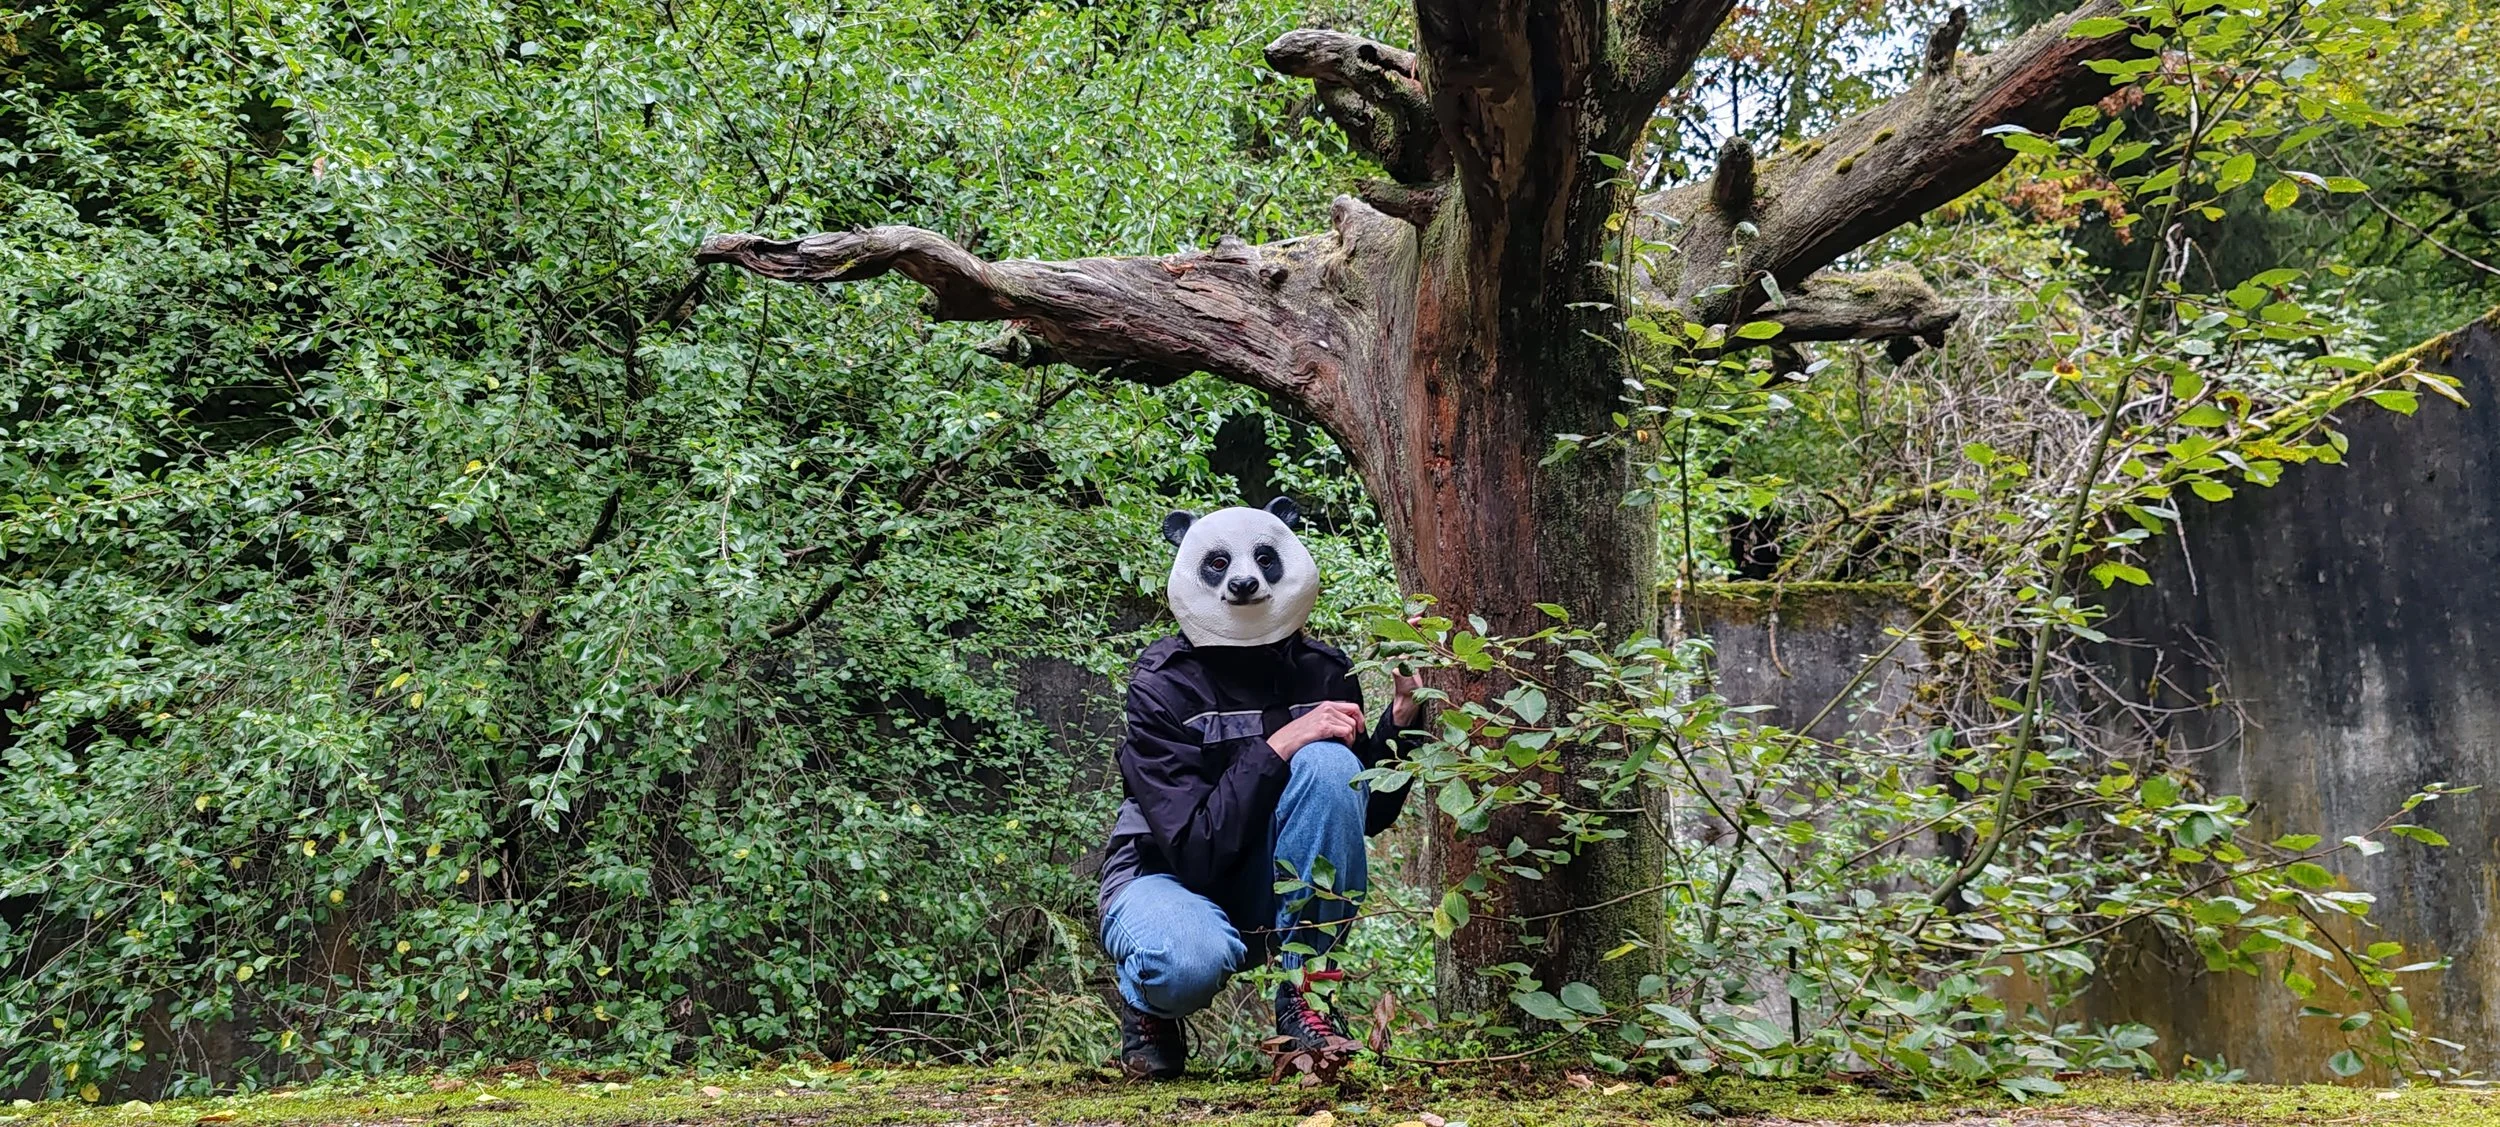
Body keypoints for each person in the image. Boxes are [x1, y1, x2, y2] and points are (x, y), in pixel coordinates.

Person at [1095, 497, 1421, 1080]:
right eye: (1217, 565)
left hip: (1270, 879)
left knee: (1326, 762)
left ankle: (1305, 994)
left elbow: (1359, 813)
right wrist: (1281, 743)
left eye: (1262, 560)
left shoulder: (1325, 670)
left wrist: (1402, 717)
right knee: (1185, 962)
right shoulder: (1161, 685)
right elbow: (1193, 849)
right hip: (1164, 875)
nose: (1243, 577)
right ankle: (1150, 1008)